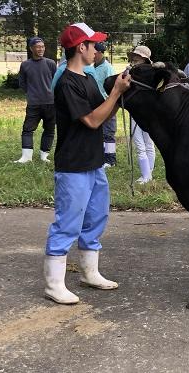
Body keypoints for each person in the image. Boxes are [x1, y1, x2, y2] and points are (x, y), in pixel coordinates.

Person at [44, 22, 131, 304]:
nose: (98, 49)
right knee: (68, 223)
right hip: (73, 166)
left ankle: (89, 273)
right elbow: (92, 120)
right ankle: (53, 284)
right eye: (94, 44)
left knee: (95, 218)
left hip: (94, 163)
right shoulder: (67, 83)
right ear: (81, 47)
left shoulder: (88, 79)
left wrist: (121, 92)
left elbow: (103, 112)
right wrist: (115, 93)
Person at [14, 37, 57, 163]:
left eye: (42, 46)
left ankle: (44, 156)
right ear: (31, 48)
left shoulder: (51, 63)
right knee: (27, 129)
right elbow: (22, 83)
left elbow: (56, 81)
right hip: (34, 104)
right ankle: (26, 157)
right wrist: (32, 93)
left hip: (50, 103)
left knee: (49, 130)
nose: (41, 49)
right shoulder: (25, 65)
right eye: (38, 47)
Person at [127, 45, 157, 183]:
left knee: (148, 143)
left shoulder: (152, 74)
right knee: (139, 144)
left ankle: (148, 175)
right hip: (135, 111)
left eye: (138, 57)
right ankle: (146, 175)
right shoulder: (129, 72)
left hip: (149, 113)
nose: (135, 59)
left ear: (145, 59)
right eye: (134, 57)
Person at [87, 42, 118, 167]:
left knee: (108, 133)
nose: (93, 55)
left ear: (100, 53)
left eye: (95, 52)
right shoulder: (92, 67)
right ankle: (100, 157)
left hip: (106, 103)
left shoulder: (107, 68)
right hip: (94, 104)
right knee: (98, 132)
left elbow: (112, 87)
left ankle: (110, 159)